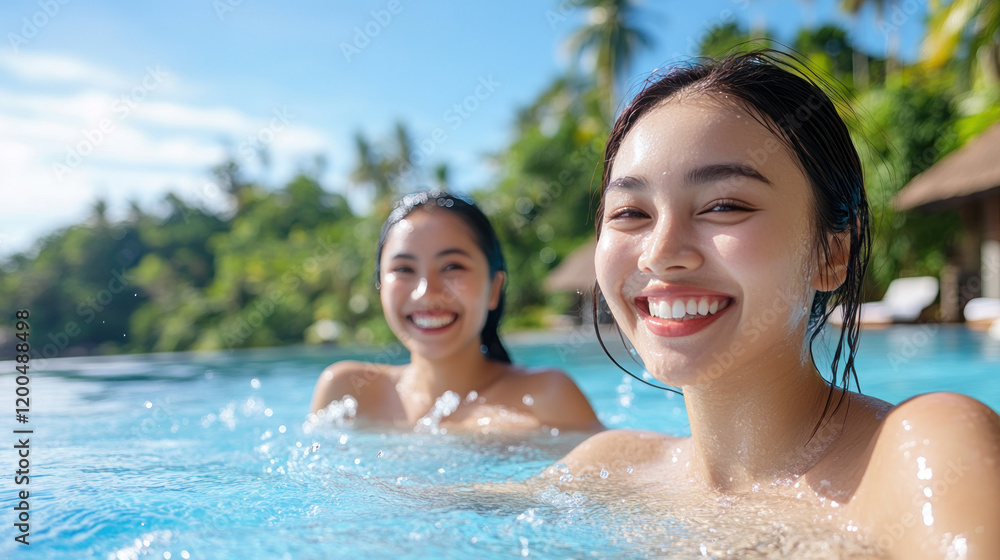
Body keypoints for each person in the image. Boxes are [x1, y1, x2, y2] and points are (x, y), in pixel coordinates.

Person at [544, 51, 1000, 558]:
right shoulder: (609, 468)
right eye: (630, 212)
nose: (661, 253)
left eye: (724, 206)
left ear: (831, 253)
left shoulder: (920, 455)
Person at [311, 191, 602, 433]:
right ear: (380, 289)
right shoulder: (347, 392)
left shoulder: (546, 398)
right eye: (403, 269)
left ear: (493, 288)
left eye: (453, 267)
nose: (426, 291)